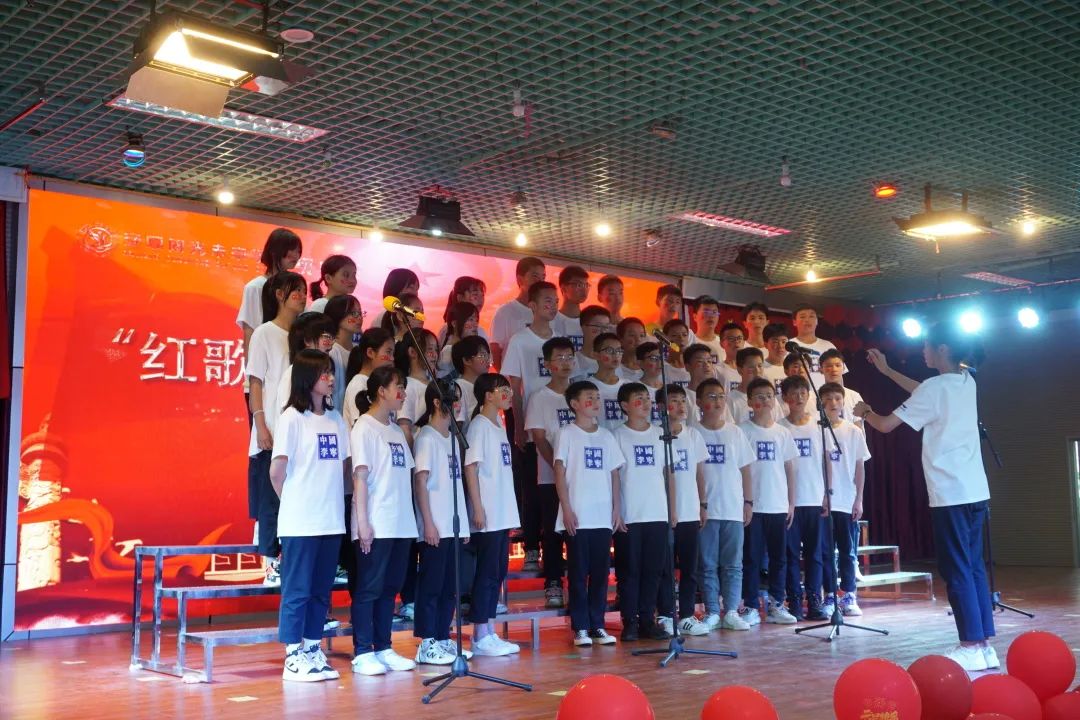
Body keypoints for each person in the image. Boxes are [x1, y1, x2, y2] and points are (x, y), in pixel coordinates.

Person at [854, 327, 996, 671]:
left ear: (942, 348)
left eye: (927, 346)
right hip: (975, 490)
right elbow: (924, 391)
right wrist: (887, 371)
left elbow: (885, 425)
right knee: (974, 567)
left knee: (956, 569)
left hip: (950, 493)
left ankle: (970, 644)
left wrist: (865, 411)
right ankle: (984, 644)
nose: (923, 351)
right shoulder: (967, 381)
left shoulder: (935, 388)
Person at [270, 349, 351, 682]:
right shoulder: (291, 418)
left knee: (320, 590)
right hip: (300, 523)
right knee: (298, 590)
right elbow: (277, 472)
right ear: (307, 378)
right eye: (324, 373)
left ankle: (312, 649)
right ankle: (293, 656)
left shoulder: (336, 419)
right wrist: (294, 502)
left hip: (330, 520)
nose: (330, 378)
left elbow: (343, 468)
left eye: (331, 372)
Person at [349, 366, 418, 676]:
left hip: (401, 523)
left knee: (390, 588)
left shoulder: (396, 430)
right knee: (369, 588)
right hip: (377, 522)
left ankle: (384, 647)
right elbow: (360, 478)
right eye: (397, 386)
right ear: (381, 391)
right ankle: (363, 651)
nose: (403, 393)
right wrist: (362, 523)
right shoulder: (364, 427)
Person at [554, 380, 626, 646]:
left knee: (600, 573)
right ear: (574, 404)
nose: (596, 402)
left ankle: (597, 624)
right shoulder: (567, 433)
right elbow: (559, 471)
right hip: (578, 514)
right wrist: (566, 508)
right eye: (589, 397)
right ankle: (580, 627)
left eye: (597, 397)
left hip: (601, 515)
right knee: (577, 573)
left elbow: (614, 473)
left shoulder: (606, 436)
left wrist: (616, 508)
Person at [248, 271, 307, 584]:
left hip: (298, 431)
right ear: (279, 295)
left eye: (304, 291)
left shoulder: (302, 335)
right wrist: (260, 424)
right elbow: (255, 382)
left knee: (293, 499)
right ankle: (271, 564)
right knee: (270, 500)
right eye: (295, 291)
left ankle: (290, 561)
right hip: (271, 427)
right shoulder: (264, 333)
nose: (302, 296)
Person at [412, 380, 472, 666]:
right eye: (452, 399)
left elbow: (457, 484)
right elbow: (421, 482)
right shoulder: (426, 437)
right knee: (432, 586)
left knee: (450, 586)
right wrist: (428, 523)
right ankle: (427, 643)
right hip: (435, 525)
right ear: (437, 403)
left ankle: (442, 636)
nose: (457, 405)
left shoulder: (452, 438)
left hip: (453, 524)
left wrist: (465, 525)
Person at [501, 280, 559, 572]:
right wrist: (519, 423)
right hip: (530, 422)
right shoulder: (520, 341)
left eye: (555, 301)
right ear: (532, 306)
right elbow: (514, 385)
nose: (553, 305)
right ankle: (532, 547)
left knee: (556, 488)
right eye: (547, 301)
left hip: (558, 426)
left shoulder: (559, 340)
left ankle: (555, 548)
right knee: (531, 487)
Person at [463, 373, 522, 656]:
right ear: (488, 395)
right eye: (503, 390)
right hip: (487, 514)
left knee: (497, 572)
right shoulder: (479, 426)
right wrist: (477, 507)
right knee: (486, 574)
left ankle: (488, 630)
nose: (508, 394)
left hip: (502, 511)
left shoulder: (498, 425)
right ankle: (479, 634)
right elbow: (471, 467)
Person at [694, 378, 754, 631]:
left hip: (732, 507)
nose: (717, 401)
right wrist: (700, 504)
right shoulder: (692, 432)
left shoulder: (735, 432)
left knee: (733, 565)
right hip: (705, 509)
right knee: (707, 565)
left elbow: (746, 469)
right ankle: (712, 611)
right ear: (699, 402)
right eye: (711, 396)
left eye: (721, 396)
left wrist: (748, 502)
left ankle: (731, 611)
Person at [612, 383, 670, 641]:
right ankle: (630, 622)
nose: (646, 403)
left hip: (657, 512)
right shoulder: (617, 435)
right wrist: (617, 510)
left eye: (648, 398)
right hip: (630, 515)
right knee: (629, 571)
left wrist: (671, 510)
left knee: (653, 571)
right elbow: (614, 477)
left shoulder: (661, 434)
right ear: (625, 406)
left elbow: (668, 474)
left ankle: (648, 620)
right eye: (639, 399)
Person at [738, 378, 799, 626]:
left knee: (778, 558)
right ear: (750, 401)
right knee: (751, 559)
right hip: (753, 506)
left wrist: (791, 503)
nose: (764, 400)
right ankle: (751, 606)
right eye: (759, 396)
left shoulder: (782, 432)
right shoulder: (742, 431)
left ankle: (776, 604)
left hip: (777, 505)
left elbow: (790, 469)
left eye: (769, 396)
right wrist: (745, 502)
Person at [524, 337, 578, 608]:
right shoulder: (540, 397)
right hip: (550, 478)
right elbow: (539, 438)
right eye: (560, 358)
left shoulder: (580, 394)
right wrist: (559, 470)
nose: (566, 363)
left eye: (569, 357)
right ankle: (553, 584)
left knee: (577, 533)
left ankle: (578, 585)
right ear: (547, 364)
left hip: (580, 480)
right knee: (553, 533)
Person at [653, 383, 710, 637]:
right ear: (661, 407)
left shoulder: (693, 435)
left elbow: (700, 473)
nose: (680, 406)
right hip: (662, 512)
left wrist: (703, 504)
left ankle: (686, 615)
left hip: (690, 510)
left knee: (689, 568)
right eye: (674, 401)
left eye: (683, 401)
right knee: (664, 567)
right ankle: (665, 615)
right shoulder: (655, 434)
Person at [819, 382, 871, 620]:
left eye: (837, 399)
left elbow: (860, 467)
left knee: (848, 552)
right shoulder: (816, 430)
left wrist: (859, 499)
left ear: (843, 402)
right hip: (823, 502)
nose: (833, 403)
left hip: (847, 499)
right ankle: (830, 594)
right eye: (828, 399)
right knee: (826, 552)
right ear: (820, 402)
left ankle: (849, 594)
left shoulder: (853, 431)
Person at [237, 228, 302, 414]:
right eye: (291, 250)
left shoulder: (297, 291)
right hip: (263, 373)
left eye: (298, 251)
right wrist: (252, 378)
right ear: (275, 251)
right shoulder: (255, 287)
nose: (296, 256)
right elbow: (249, 332)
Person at [778, 374, 826, 621]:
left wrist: (827, 494)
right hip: (789, 503)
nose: (798, 397)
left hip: (815, 497)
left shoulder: (819, 425)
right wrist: (787, 501)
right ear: (784, 397)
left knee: (815, 554)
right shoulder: (779, 427)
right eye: (793, 393)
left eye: (803, 393)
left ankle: (814, 600)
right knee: (790, 554)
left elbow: (826, 461)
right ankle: (794, 601)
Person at [491, 256, 545, 370]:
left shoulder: (546, 312)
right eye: (535, 276)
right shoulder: (505, 312)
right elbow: (495, 350)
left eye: (543, 277)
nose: (540, 282)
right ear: (520, 279)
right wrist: (505, 377)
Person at [394, 328, 440, 448]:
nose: (434, 354)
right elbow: (405, 427)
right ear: (412, 352)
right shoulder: (408, 386)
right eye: (429, 349)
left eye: (436, 349)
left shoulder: (436, 385)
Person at [342, 328, 395, 427]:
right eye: (388, 352)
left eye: (393, 354)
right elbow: (360, 426)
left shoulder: (379, 384)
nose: (392, 358)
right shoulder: (359, 384)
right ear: (370, 352)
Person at [325, 295, 364, 412]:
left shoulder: (358, 349)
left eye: (360, 313)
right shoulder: (331, 351)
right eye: (353, 313)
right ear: (338, 315)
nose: (359, 318)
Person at [789, 304, 839, 387]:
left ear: (817, 321)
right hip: (798, 392)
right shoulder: (789, 345)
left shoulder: (828, 346)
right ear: (794, 322)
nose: (807, 320)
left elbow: (838, 376)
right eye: (802, 317)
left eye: (811, 316)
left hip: (825, 393)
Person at [449, 335, 491, 432]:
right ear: (467, 360)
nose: (487, 359)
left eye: (488, 355)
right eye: (482, 355)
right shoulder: (459, 388)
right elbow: (457, 427)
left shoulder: (485, 387)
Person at [590, 332, 626, 432]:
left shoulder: (629, 386)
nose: (616, 355)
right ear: (596, 355)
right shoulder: (587, 387)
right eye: (609, 350)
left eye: (619, 350)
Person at [820, 349, 864, 428]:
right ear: (821, 369)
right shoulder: (814, 396)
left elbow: (858, 428)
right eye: (829, 366)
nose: (834, 369)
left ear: (843, 368)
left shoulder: (854, 396)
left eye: (837, 365)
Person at [436, 301, 479, 378]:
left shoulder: (466, 348)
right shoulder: (448, 353)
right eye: (471, 319)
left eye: (476, 320)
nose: (475, 324)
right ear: (454, 323)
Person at [440, 276, 489, 343]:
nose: (481, 299)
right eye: (475, 295)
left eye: (482, 295)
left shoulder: (480, 331)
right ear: (460, 298)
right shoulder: (448, 329)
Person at [554, 265, 590, 352]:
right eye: (579, 285)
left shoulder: (589, 322)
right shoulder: (552, 320)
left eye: (586, 285)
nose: (584, 289)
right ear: (563, 288)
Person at [572, 305, 613, 380]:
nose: (603, 332)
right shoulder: (572, 361)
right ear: (583, 327)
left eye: (606, 327)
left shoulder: (613, 361)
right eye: (597, 326)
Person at [615, 317, 648, 382]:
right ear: (620, 339)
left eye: (642, 335)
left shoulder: (650, 367)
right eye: (632, 335)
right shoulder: (613, 367)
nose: (638, 339)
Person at [662, 318, 692, 388]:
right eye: (674, 335)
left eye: (684, 335)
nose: (681, 338)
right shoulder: (661, 368)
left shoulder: (694, 367)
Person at [693, 296, 723, 363]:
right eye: (706, 312)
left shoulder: (725, 344)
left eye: (714, 312)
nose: (711, 316)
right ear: (695, 316)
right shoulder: (689, 342)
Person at [716, 322, 745, 392]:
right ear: (721, 343)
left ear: (744, 342)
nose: (736, 341)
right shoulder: (716, 370)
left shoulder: (750, 370)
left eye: (739, 338)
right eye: (731, 338)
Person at [761, 323, 790, 394]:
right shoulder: (760, 369)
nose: (780, 346)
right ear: (765, 344)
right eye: (775, 342)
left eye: (784, 342)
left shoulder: (793, 367)